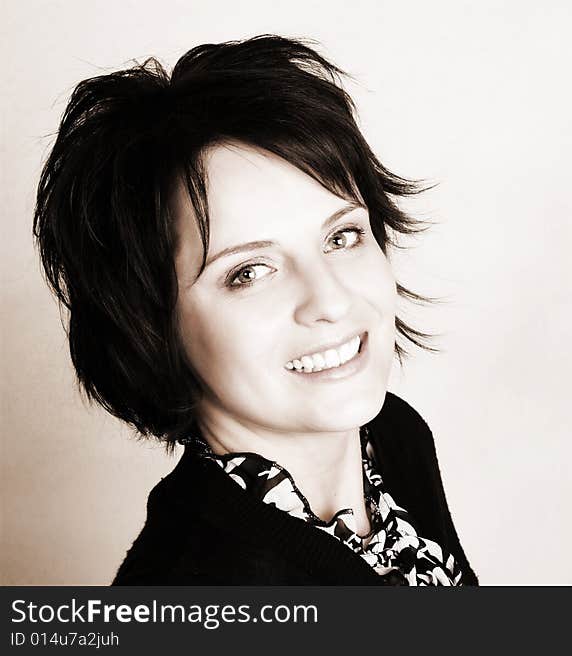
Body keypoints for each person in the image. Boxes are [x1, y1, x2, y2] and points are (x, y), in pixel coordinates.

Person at [33, 35, 478, 586]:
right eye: (249, 272)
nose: (331, 299)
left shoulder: (393, 437)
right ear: (150, 325)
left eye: (342, 236)